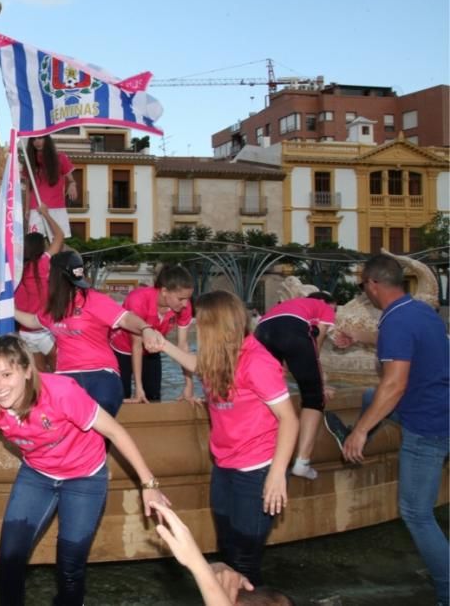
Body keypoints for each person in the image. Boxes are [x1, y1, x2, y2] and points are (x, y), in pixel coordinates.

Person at [0, 335, 170, 606]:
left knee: (70, 566)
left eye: (7, 374)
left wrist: (149, 485)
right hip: (38, 474)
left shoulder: (61, 392)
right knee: (10, 556)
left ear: (26, 371)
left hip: (84, 477)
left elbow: (115, 432)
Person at [326, 254, 449, 605]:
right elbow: (396, 341)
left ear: (373, 285)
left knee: (416, 512)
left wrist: (361, 431)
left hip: (427, 426)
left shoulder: (397, 323)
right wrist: (358, 337)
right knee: (368, 396)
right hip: (441, 409)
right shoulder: (419, 311)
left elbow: (393, 386)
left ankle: (447, 591)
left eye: (363, 286)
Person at [160, 290, 298, 586]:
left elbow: (289, 419)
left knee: (244, 561)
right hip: (225, 465)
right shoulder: (219, 357)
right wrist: (162, 345)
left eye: (202, 324)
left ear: (216, 327)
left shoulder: (257, 362)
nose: (197, 328)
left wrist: (276, 474)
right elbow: (199, 365)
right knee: (228, 552)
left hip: (258, 469)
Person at [14, 251, 164, 417]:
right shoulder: (54, 307)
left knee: (100, 405)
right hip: (66, 375)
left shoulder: (94, 300)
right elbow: (33, 321)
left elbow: (127, 319)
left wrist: (146, 329)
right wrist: (8, 309)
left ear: (58, 278)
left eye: (49, 273)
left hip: (100, 373)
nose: (46, 277)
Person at [253, 291, 336, 480]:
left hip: (261, 331)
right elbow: (316, 349)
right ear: (324, 302)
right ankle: (302, 463)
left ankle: (265, 454)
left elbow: (283, 367)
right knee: (313, 398)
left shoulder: (288, 305)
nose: (335, 316)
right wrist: (320, 386)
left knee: (268, 394)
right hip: (291, 333)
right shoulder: (325, 308)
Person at [111, 265, 195, 404]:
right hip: (122, 349)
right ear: (164, 291)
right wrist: (138, 387)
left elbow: (183, 345)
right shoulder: (138, 300)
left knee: (153, 396)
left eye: (188, 298)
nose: (185, 304)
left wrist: (189, 385)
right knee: (122, 395)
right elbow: (136, 345)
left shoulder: (184, 306)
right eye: (181, 299)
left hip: (151, 349)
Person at [15, 205, 65, 372]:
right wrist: (46, 215)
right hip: (44, 329)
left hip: (25, 333)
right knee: (60, 371)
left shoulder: (18, 270)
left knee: (41, 379)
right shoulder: (43, 263)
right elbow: (59, 236)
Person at [22, 135, 76, 237]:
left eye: (40, 138)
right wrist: (27, 209)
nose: (37, 141)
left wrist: (72, 184)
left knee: (58, 240)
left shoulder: (61, 158)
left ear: (47, 139)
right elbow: (29, 189)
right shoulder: (29, 162)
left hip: (57, 208)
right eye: (34, 139)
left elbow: (71, 180)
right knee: (35, 242)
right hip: (36, 209)